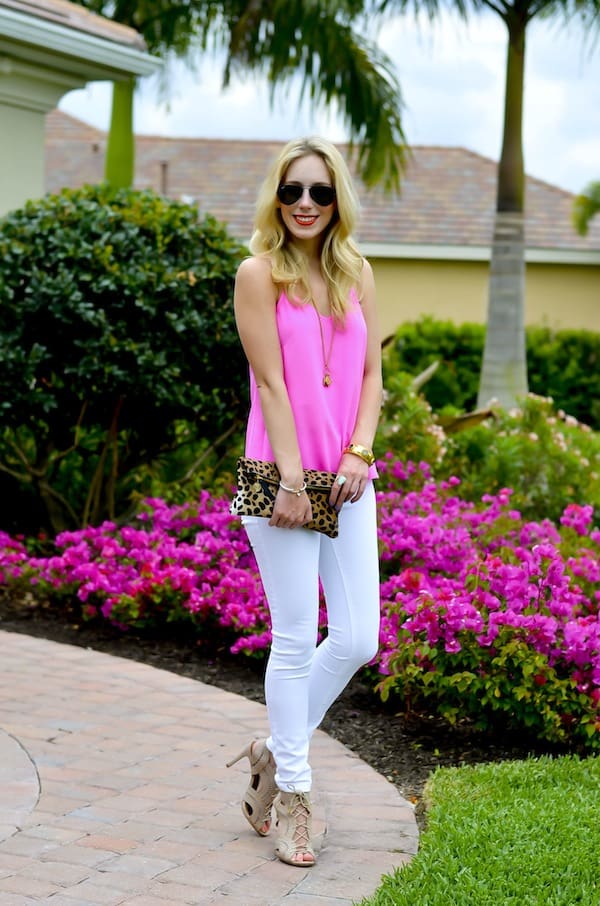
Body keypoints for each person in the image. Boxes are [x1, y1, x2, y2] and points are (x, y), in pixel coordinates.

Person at [227, 136, 382, 867]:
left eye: (320, 192)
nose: (306, 205)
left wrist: (360, 451)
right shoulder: (259, 274)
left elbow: (374, 379)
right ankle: (293, 791)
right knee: (294, 637)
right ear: (276, 198)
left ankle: (271, 745)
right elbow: (270, 384)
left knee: (357, 638)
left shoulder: (358, 274)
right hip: (280, 477)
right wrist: (292, 479)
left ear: (337, 201)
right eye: (293, 191)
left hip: (349, 481)